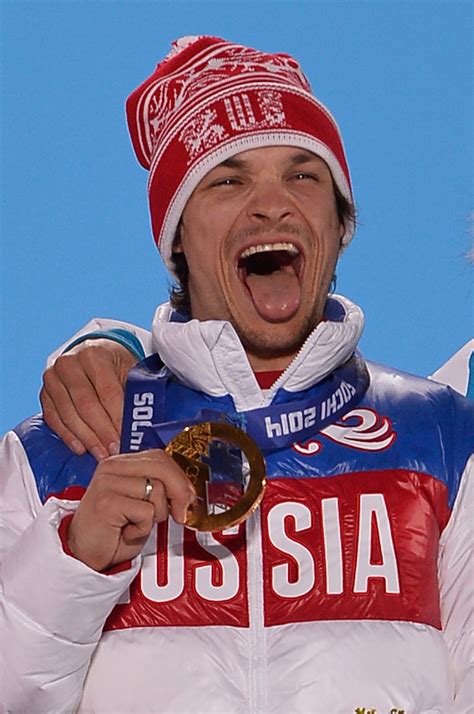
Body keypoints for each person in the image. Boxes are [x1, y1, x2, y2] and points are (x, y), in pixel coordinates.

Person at [1, 36, 473, 714]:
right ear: (177, 240)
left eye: (304, 176)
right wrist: (74, 561)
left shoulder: (447, 440)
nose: (272, 205)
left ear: (341, 226)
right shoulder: (58, 455)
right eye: (227, 180)